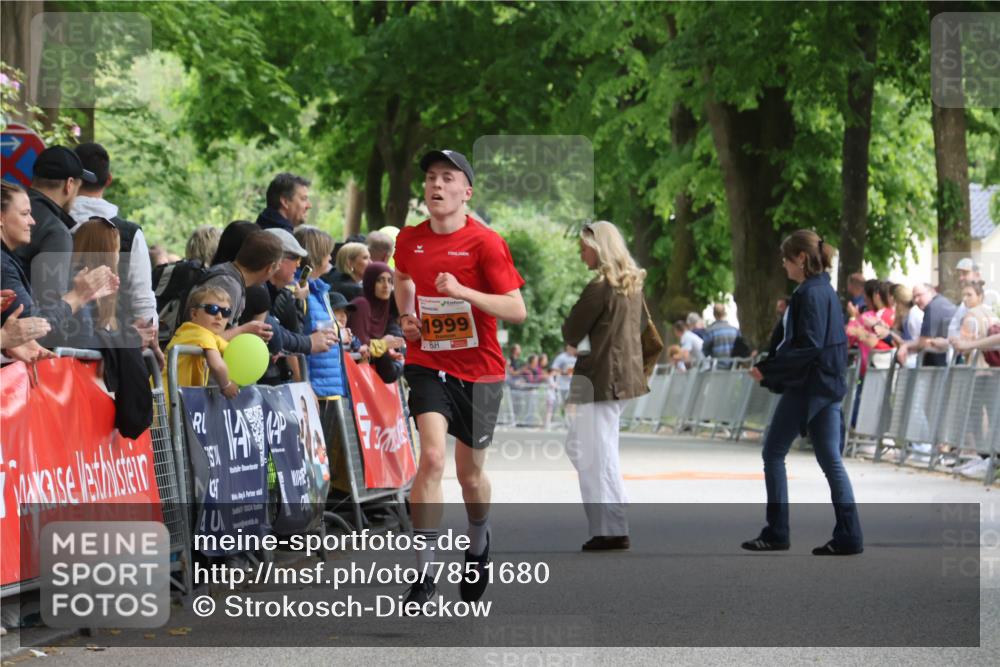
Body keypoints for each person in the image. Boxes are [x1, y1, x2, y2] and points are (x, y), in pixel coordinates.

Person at [394, 149, 526, 608]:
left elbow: (516, 308)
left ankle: (478, 543)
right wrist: (406, 315)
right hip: (428, 360)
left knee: (471, 477)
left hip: (481, 370)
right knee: (431, 458)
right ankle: (425, 570)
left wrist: (462, 291)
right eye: (431, 177)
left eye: (447, 178)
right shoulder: (409, 239)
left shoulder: (487, 243)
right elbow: (403, 277)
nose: (436, 185)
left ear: (465, 192)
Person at [744, 230, 862, 556]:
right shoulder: (823, 291)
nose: (782, 264)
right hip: (825, 385)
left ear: (800, 258)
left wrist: (770, 370)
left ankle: (778, 530)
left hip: (808, 386)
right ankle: (849, 534)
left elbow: (807, 346)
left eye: (786, 258)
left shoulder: (809, 294)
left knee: (773, 453)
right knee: (830, 461)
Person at [562, 220, 648, 551]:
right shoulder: (631, 285)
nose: (581, 253)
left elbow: (571, 331)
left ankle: (610, 526)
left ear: (599, 248)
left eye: (584, 248)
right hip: (623, 376)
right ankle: (613, 516)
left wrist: (573, 331)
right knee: (595, 448)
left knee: (593, 452)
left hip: (599, 377)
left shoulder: (599, 288)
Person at [1, 182, 117, 358]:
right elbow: (33, 326)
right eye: (25, 214)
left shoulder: (7, 261)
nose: (32, 221)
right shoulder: (3, 265)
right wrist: (78, 296)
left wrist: (8, 346)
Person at [71, 143, 158, 346]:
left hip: (59, 349)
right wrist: (152, 345)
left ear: (71, 180)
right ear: (108, 180)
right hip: (119, 348)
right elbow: (142, 298)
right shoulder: (130, 233)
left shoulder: (51, 226)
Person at [163, 285, 239, 398]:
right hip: (166, 402)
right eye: (212, 309)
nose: (219, 316)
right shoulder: (198, 333)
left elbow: (233, 350)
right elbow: (217, 366)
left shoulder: (209, 336)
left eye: (226, 312)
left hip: (179, 401)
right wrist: (226, 385)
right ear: (194, 314)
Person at [347, 262, 405, 383]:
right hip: (354, 379)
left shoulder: (384, 308)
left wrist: (388, 350)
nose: (386, 286)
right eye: (380, 280)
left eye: (390, 281)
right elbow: (359, 348)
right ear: (370, 282)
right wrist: (384, 344)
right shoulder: (361, 304)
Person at [896, 283, 957, 367]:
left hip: (935, 365)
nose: (916, 300)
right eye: (914, 297)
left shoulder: (931, 307)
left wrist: (906, 345)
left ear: (931, 291)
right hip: (951, 361)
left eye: (919, 295)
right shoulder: (946, 302)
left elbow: (924, 341)